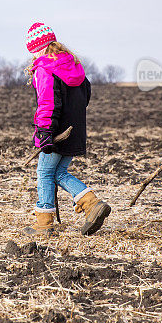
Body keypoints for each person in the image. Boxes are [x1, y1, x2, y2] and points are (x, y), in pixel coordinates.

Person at [22, 22, 111, 236]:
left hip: (56, 132)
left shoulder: (44, 69)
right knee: (58, 172)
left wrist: (44, 132)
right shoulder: (74, 66)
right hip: (75, 130)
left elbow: (47, 103)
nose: (33, 57)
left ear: (40, 48)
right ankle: (91, 204)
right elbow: (85, 97)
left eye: (33, 52)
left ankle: (44, 223)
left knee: (44, 172)